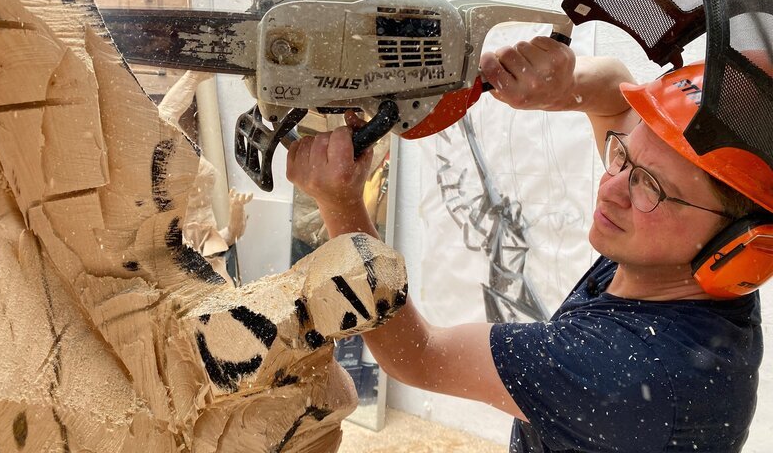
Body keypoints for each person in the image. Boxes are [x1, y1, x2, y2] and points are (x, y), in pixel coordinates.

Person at [286, 32, 768, 450]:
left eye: (652, 188)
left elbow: (417, 354)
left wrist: (341, 203)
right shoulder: (690, 268)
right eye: (624, 156)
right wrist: (565, 89)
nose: (611, 186)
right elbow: (619, 99)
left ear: (743, 244)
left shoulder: (622, 372)